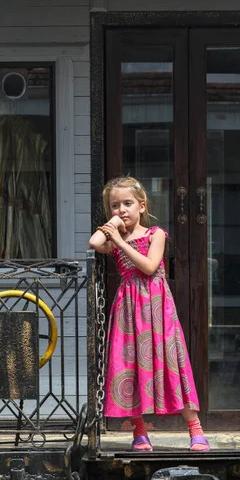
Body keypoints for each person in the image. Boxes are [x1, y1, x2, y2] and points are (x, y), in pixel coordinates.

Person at [89, 176, 210, 452]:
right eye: (115, 205)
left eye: (128, 204)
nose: (121, 209)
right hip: (129, 309)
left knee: (171, 360)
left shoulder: (155, 234)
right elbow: (95, 242)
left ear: (142, 206)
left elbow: (149, 266)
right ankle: (139, 432)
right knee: (129, 363)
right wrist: (113, 227)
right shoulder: (115, 236)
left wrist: (119, 239)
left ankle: (195, 429)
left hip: (157, 307)